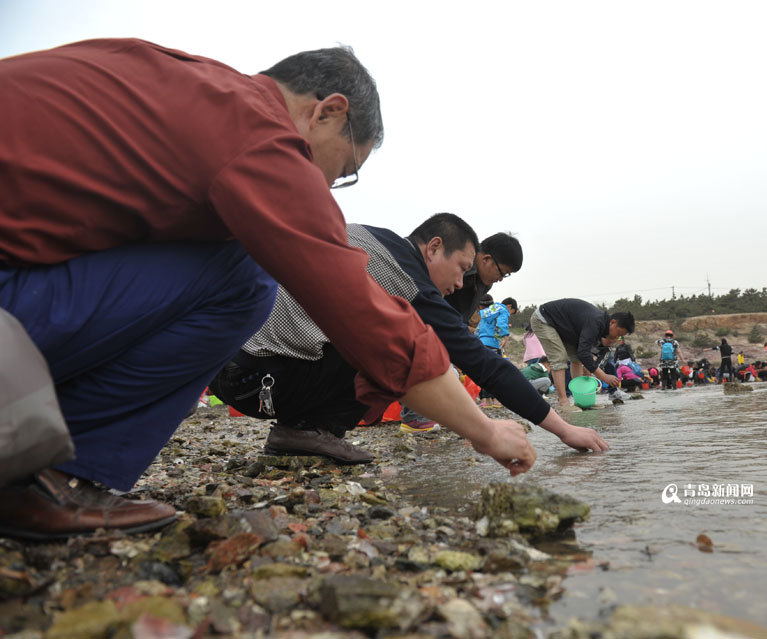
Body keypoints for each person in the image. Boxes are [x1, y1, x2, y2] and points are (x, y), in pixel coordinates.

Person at [0, 40, 535, 539]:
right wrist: (485, 432)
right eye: (345, 170)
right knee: (243, 275)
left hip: (26, 277)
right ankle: (54, 474)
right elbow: (367, 316)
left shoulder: (170, 77)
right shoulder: (257, 134)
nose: (328, 188)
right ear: (327, 111)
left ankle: (42, 445)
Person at [212, 214, 609, 456]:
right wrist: (562, 428)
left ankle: (305, 431)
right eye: (460, 267)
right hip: (258, 380)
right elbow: (483, 363)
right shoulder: (408, 282)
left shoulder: (369, 235)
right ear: (434, 247)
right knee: (403, 346)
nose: (459, 283)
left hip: (224, 362)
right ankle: (307, 430)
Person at [530, 299, 634, 411]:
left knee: (577, 359)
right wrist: (604, 376)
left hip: (565, 327)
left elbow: (584, 354)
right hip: (544, 319)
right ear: (613, 322)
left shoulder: (601, 327)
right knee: (559, 357)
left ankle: (581, 400)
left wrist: (590, 366)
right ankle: (563, 402)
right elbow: (584, 353)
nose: (616, 338)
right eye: (618, 333)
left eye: (620, 337)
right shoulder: (596, 321)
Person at [445, 233, 522, 325]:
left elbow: (460, 317)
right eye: (502, 273)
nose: (500, 279)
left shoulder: (485, 284)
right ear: (486, 259)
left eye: (505, 275)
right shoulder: (454, 257)